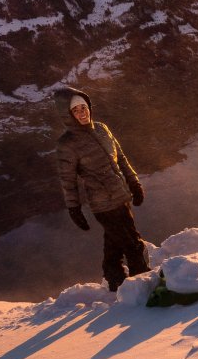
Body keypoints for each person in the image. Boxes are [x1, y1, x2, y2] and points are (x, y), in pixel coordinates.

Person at [53, 86, 150, 292]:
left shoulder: (102, 129)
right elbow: (68, 181)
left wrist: (134, 183)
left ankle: (114, 280)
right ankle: (143, 286)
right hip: (103, 205)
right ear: (67, 115)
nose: (82, 113)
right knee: (133, 245)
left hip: (121, 197)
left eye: (83, 107)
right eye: (75, 110)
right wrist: (74, 208)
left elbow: (120, 159)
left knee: (114, 244)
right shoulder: (67, 144)